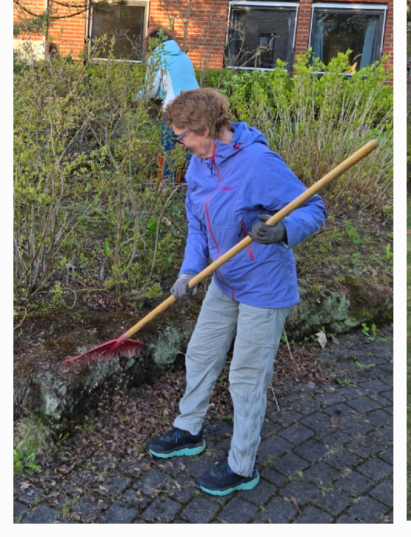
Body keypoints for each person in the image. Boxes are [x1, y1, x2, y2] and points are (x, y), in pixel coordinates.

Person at [145, 88, 326, 496]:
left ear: (205, 129)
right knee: (201, 353)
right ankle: (189, 431)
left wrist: (283, 230)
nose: (180, 143)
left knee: (246, 377)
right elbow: (197, 226)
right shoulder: (198, 167)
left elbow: (314, 208)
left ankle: (242, 466)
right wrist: (191, 270)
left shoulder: (259, 164)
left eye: (183, 136)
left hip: (264, 287)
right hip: (225, 281)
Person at [141, 27, 199, 178]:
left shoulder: (157, 58)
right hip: (198, 106)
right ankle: (190, 184)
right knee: (190, 146)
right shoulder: (184, 56)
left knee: (168, 147)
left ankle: (167, 186)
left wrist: (133, 99)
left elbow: (150, 91)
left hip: (176, 108)